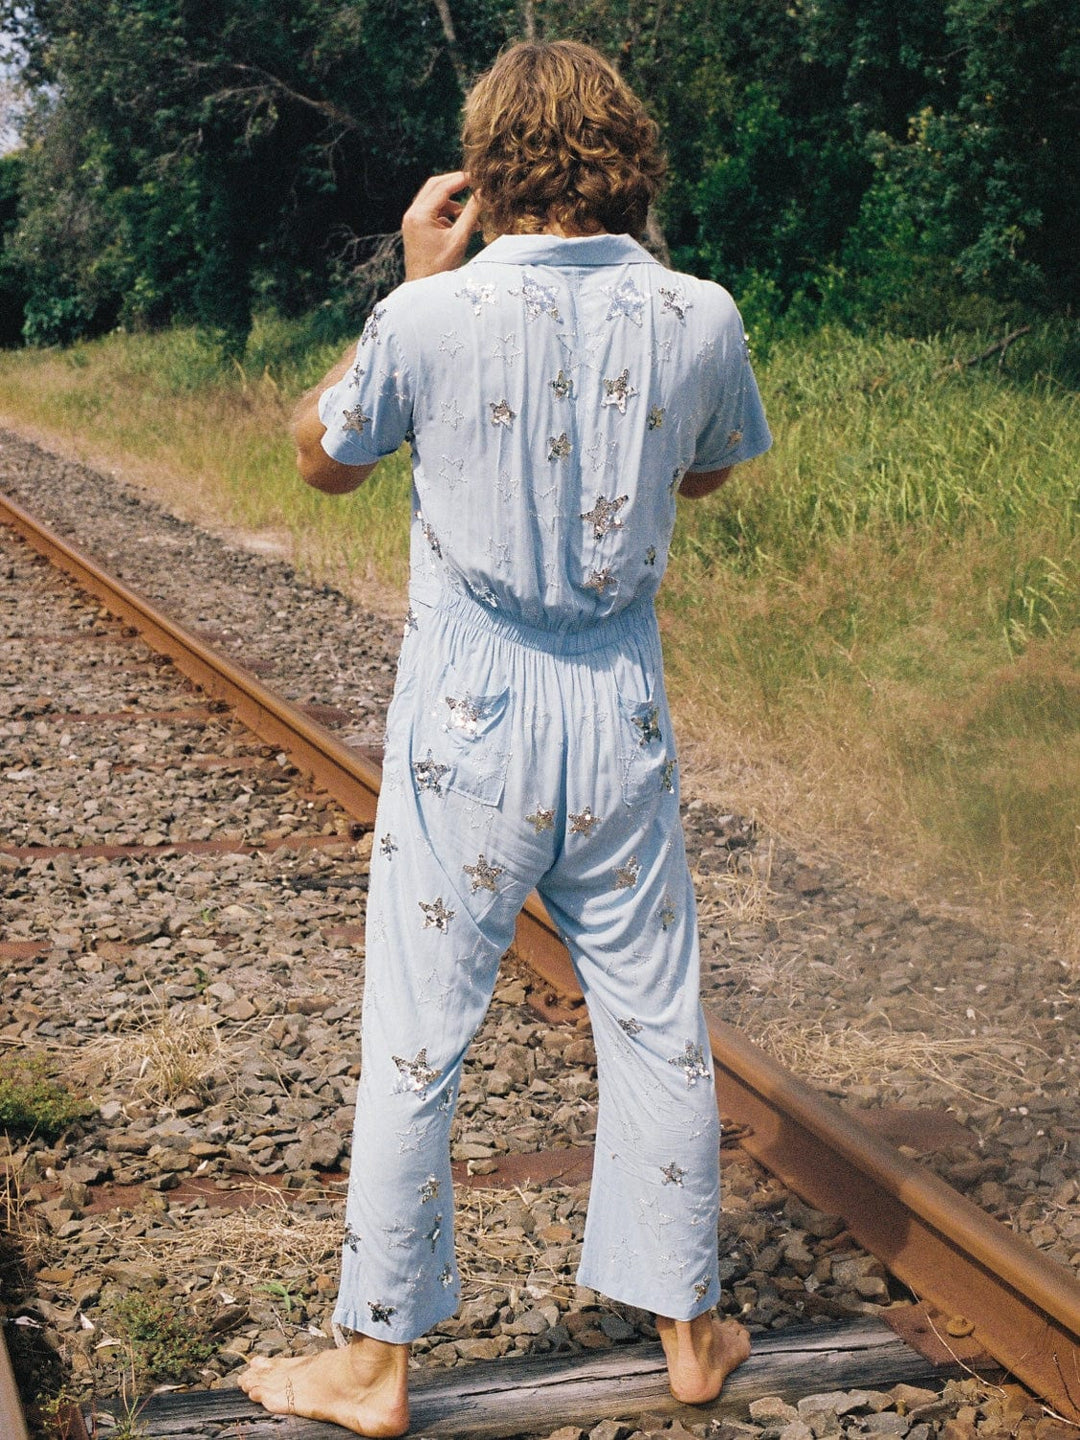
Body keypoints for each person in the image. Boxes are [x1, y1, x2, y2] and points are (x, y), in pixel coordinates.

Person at [238, 39, 770, 1437]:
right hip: (620, 714)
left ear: (487, 168)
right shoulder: (701, 313)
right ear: (628, 153)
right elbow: (707, 464)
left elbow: (320, 451)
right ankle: (692, 1327)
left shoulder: (430, 318)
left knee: (420, 1035)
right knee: (656, 1018)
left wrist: (412, 285)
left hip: (468, 722)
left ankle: (373, 1364)